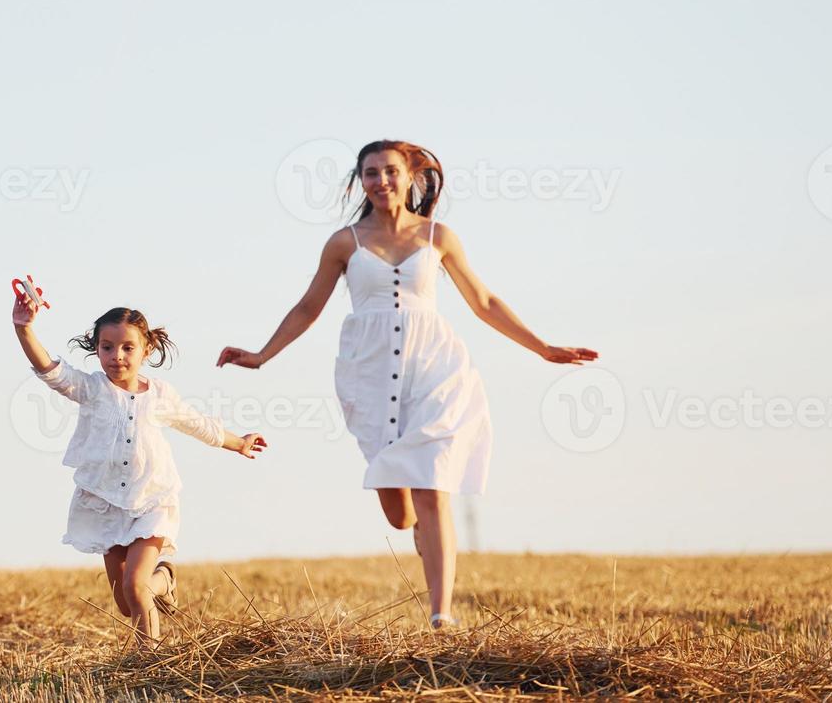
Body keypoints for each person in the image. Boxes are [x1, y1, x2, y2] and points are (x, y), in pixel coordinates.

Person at [216, 139, 597, 628]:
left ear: (410, 174)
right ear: (361, 181)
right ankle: (418, 532)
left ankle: (441, 615)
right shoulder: (343, 243)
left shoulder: (439, 236)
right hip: (369, 372)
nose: (381, 181)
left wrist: (542, 347)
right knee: (400, 512)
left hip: (434, 368)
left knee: (432, 486)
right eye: (371, 173)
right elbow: (309, 307)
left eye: (390, 171)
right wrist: (262, 356)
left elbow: (483, 301)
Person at [14, 291, 267, 644]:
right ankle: (165, 580)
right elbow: (49, 370)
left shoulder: (160, 394)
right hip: (105, 502)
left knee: (135, 587)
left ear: (146, 349)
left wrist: (238, 442)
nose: (116, 356)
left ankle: (151, 660)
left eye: (127, 347)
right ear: (97, 348)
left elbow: (196, 423)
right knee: (125, 602)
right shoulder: (91, 389)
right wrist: (24, 327)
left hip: (152, 500)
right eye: (106, 347)